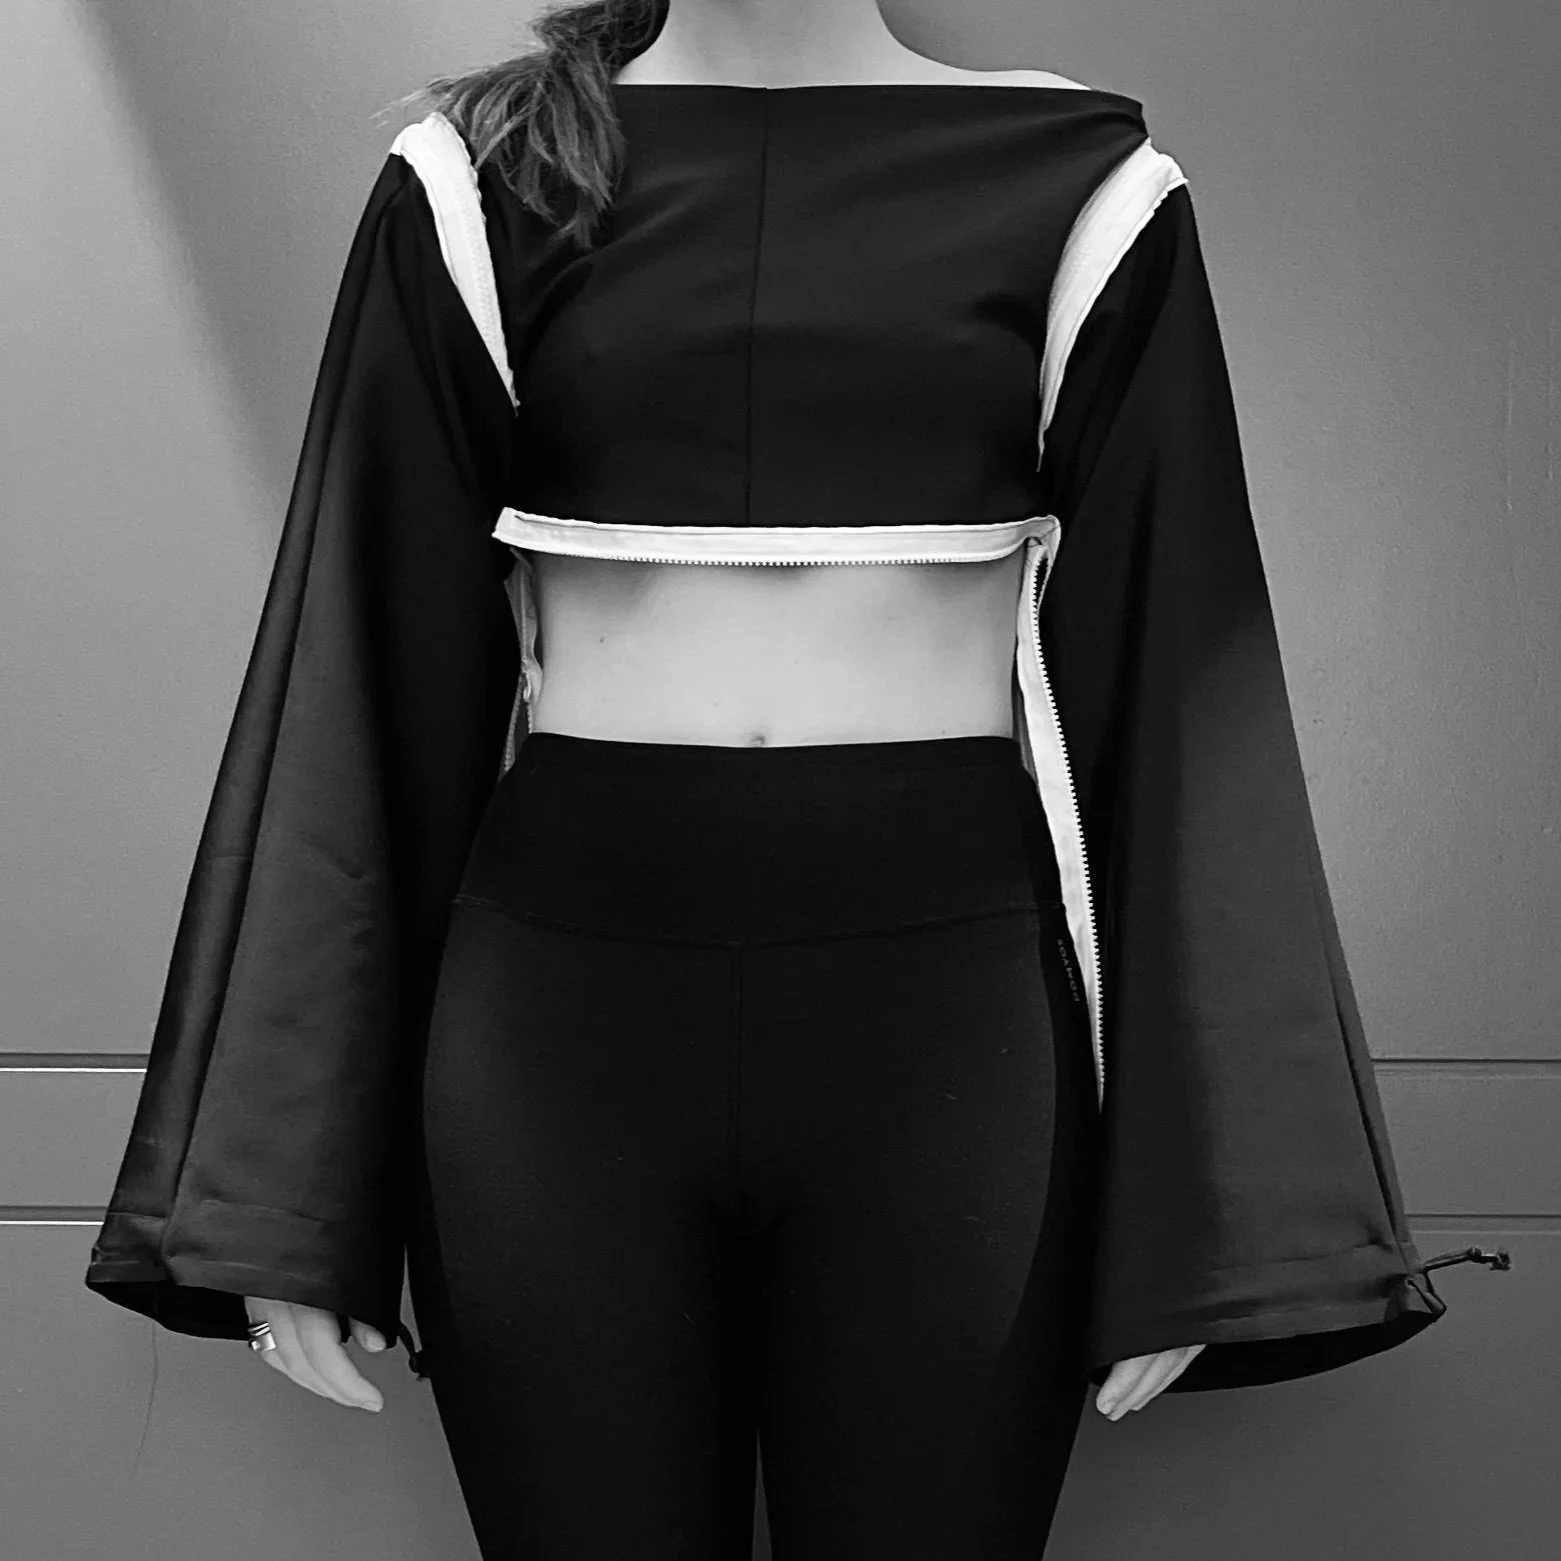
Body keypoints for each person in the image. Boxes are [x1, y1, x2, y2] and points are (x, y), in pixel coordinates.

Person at [85, 0, 1492, 1554]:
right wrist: (289, 1207)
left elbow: (1179, 667)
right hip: (560, 1027)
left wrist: (1215, 1226)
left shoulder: (1080, 179)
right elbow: (366, 655)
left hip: (947, 1026)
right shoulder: (482, 178)